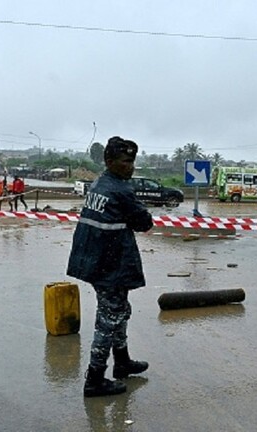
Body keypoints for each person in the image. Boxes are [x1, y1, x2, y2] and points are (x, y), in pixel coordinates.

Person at [67, 136, 154, 397]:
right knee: (109, 319)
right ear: (110, 162)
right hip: (110, 266)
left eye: (133, 162)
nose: (131, 167)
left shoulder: (100, 183)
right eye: (126, 162)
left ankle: (123, 362)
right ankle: (95, 379)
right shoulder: (120, 190)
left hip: (96, 262)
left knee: (119, 311)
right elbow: (144, 222)